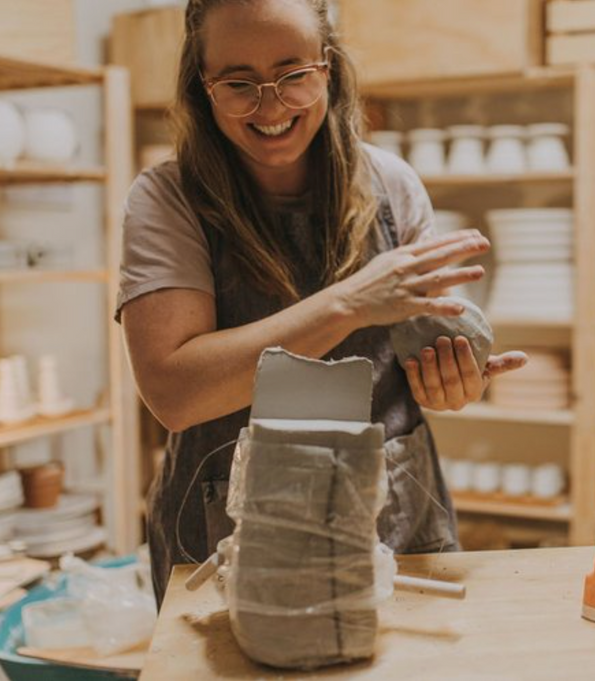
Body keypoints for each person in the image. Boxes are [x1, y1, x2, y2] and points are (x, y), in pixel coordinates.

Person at [116, 0, 527, 604]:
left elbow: (430, 357)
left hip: (391, 519)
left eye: (293, 74)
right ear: (202, 86)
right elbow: (176, 393)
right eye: (239, 84)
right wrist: (351, 303)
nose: (271, 107)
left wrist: (452, 381)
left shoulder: (392, 186)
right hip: (231, 533)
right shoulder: (168, 198)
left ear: (327, 66)